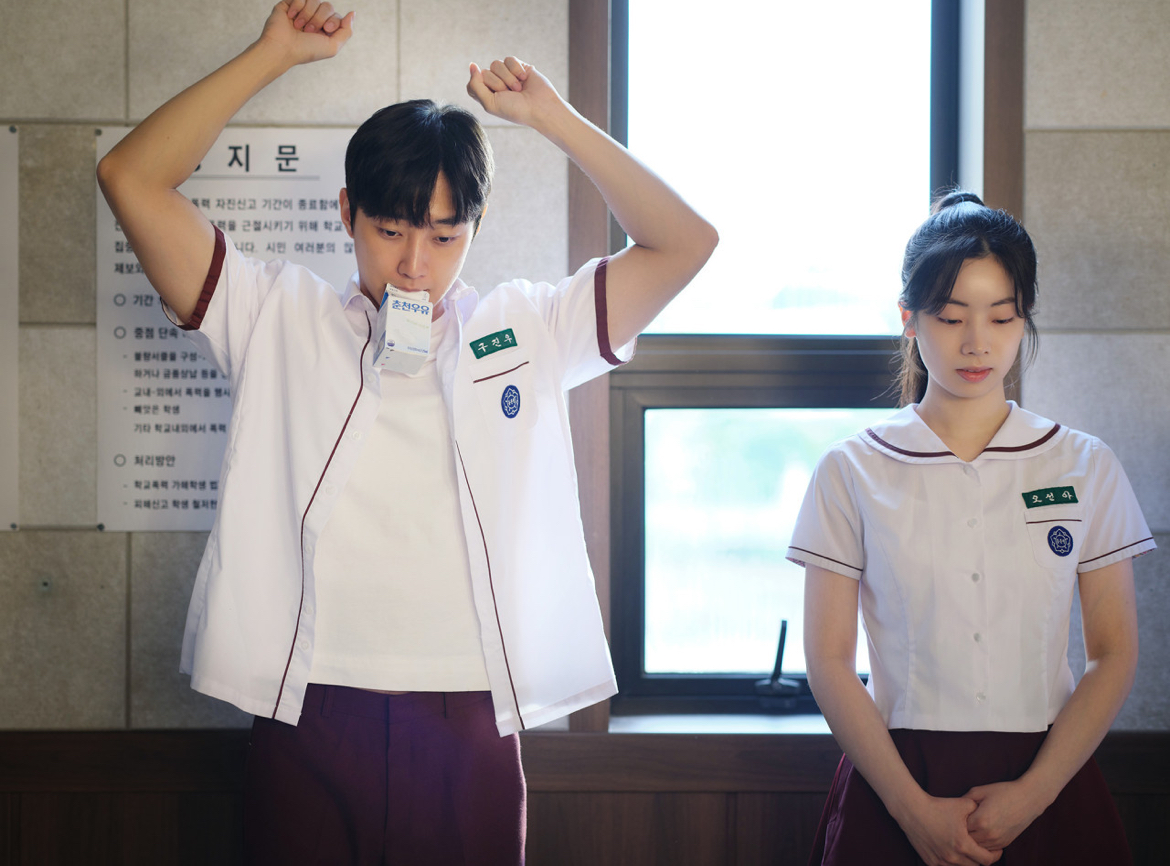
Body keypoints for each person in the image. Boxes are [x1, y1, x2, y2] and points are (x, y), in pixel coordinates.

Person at [96, 2, 717, 863]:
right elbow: (129, 177)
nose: (414, 265)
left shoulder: (528, 329)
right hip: (307, 705)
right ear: (346, 212)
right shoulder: (276, 314)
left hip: (470, 714)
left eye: (445, 236)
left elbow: (686, 242)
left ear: (475, 229)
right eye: (389, 231)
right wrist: (271, 54)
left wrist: (552, 118)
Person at [787, 190, 1153, 866]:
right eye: (951, 317)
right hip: (897, 780)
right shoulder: (852, 469)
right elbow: (829, 661)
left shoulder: (1084, 464)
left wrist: (1034, 795)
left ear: (1025, 318)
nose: (977, 342)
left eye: (1002, 317)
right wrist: (912, 811)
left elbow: (1113, 653)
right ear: (909, 319)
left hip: (1049, 779)